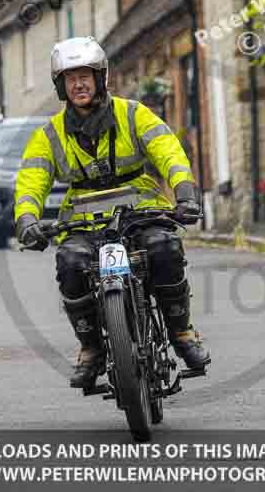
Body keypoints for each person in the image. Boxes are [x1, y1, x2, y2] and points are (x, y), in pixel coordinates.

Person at [14, 36, 210, 388]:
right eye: (69, 78)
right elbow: (31, 178)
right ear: (60, 86)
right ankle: (91, 349)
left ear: (101, 77)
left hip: (142, 211)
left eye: (85, 75)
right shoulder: (50, 134)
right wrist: (27, 219)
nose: (78, 84)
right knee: (71, 262)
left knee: (164, 248)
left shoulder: (134, 113)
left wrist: (184, 193)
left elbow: (169, 151)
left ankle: (181, 333)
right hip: (84, 221)